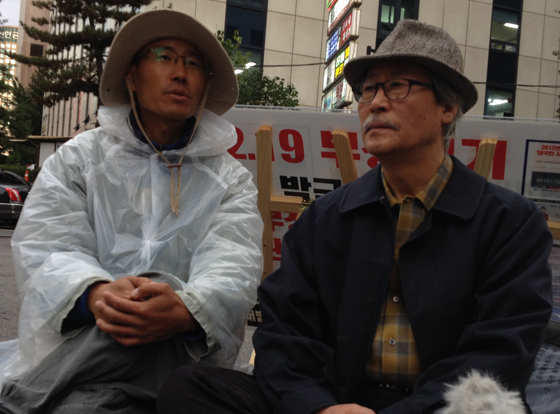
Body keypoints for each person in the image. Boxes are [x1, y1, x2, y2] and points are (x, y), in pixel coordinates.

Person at [156, 20, 553, 414]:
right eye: (369, 89)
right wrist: (316, 406)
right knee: (191, 388)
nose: (376, 103)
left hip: (441, 407)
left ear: (448, 108)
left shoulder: (509, 223)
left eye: (398, 86)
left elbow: (498, 353)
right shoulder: (326, 218)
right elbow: (284, 333)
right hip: (336, 401)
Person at [0, 9, 263, 414]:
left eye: (193, 64)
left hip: (177, 356)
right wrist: (96, 294)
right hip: (81, 341)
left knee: (157, 287)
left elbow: (234, 266)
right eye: (164, 56)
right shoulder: (79, 160)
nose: (180, 73)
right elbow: (46, 245)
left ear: (205, 86)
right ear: (132, 77)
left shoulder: (230, 180)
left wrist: (185, 309)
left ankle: (26, 398)